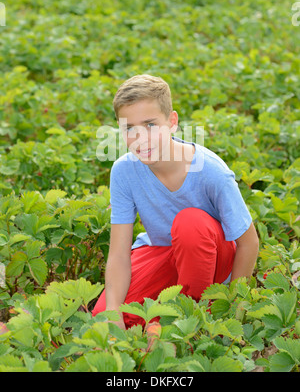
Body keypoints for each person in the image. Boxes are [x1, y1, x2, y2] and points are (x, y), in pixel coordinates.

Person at [92, 74, 259, 329]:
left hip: (211, 257)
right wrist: (113, 312)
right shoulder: (123, 171)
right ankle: (160, 320)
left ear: (172, 122)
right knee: (105, 316)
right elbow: (118, 253)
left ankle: (187, 317)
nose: (141, 138)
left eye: (150, 124)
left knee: (190, 222)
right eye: (129, 128)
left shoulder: (210, 171)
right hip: (164, 252)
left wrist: (233, 305)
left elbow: (248, 243)